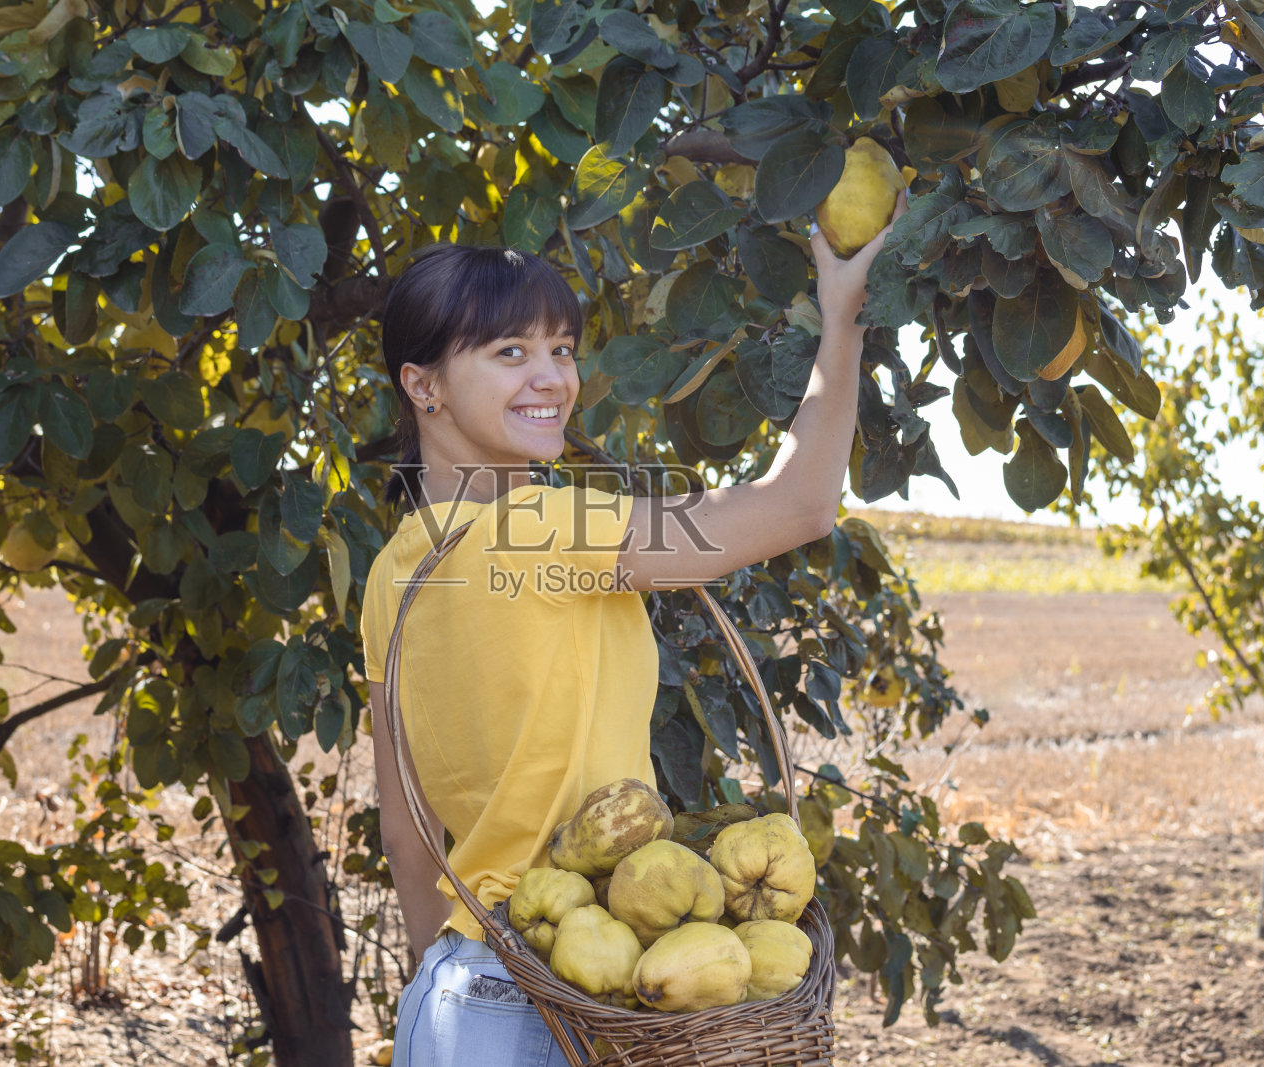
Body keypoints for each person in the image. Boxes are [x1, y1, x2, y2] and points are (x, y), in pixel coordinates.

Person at [358, 204, 901, 1066]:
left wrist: (449, 972)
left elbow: (405, 830)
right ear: (423, 385)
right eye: (510, 353)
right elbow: (798, 504)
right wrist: (844, 318)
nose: (553, 379)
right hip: (575, 992)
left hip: (466, 991)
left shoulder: (393, 571)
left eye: (561, 350)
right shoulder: (542, 525)